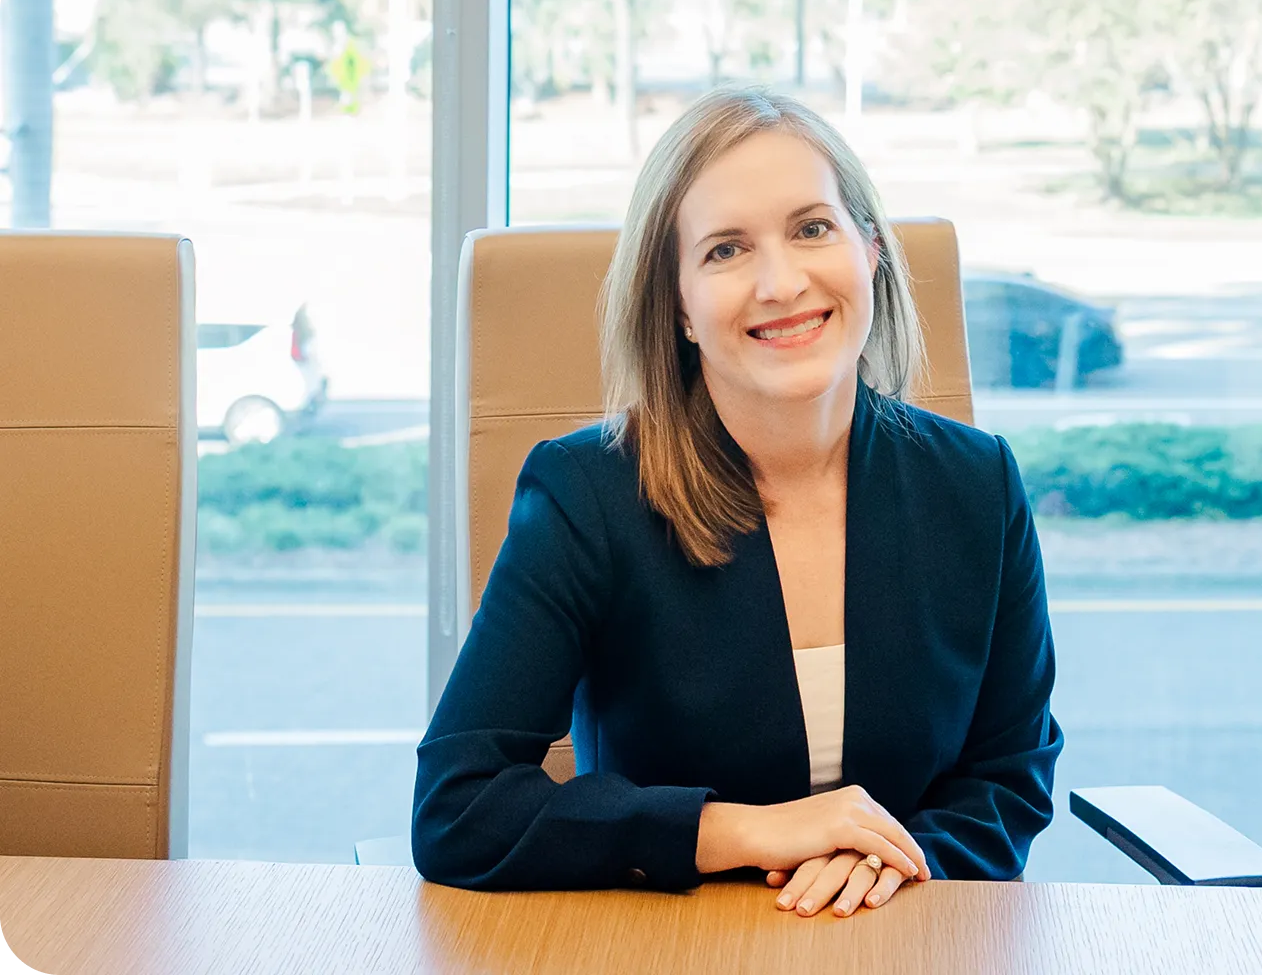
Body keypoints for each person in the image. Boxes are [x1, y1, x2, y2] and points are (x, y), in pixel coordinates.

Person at [412, 85, 1063, 919]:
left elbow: (1010, 774)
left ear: (871, 252)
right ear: (679, 306)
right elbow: (458, 807)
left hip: (907, 939)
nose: (781, 281)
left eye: (812, 228)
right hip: (675, 947)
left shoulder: (979, 484)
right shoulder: (589, 495)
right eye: (725, 250)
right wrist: (747, 832)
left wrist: (896, 862)